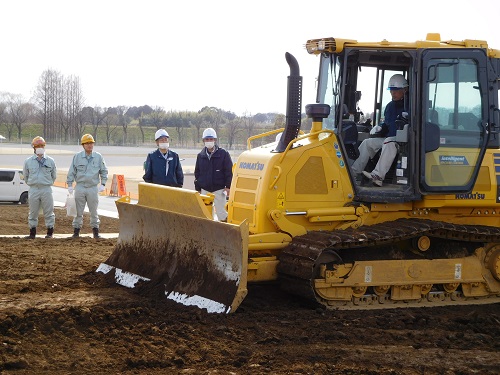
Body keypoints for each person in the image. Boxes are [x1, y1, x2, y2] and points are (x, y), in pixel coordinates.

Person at [351, 74, 409, 186]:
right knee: (367, 143)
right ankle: (352, 173)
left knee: (389, 142)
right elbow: (388, 123)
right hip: (390, 137)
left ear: (405, 89)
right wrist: (381, 127)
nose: (393, 93)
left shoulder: (411, 105)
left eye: (396, 90)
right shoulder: (390, 106)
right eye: (391, 90)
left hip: (404, 141)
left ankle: (377, 176)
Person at [66, 134, 108, 239]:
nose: (90, 145)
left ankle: (96, 231)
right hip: (80, 187)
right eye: (87, 143)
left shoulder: (98, 157)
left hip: (92, 187)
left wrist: (103, 184)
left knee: (94, 211)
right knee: (78, 211)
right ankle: (76, 231)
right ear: (83, 145)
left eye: (91, 143)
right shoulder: (77, 157)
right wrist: (70, 184)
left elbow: (104, 171)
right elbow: (72, 171)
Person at [194, 128, 233, 222]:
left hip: (219, 189)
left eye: (211, 139)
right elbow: (197, 173)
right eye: (207, 139)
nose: (209, 141)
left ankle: (225, 232)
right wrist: (198, 189)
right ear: (203, 140)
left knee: (222, 214)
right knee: (206, 215)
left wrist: (228, 187)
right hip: (205, 190)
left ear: (215, 140)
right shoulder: (200, 155)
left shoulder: (223, 154)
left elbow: (229, 171)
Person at [23, 136, 57, 239]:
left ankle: (50, 232)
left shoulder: (50, 161)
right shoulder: (28, 161)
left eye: (42, 146)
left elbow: (54, 175)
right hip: (34, 189)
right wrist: (32, 183)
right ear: (33, 148)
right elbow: (26, 176)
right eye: (37, 146)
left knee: (48, 211)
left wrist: (47, 183)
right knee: (33, 211)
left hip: (46, 189)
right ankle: (32, 232)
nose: (40, 148)